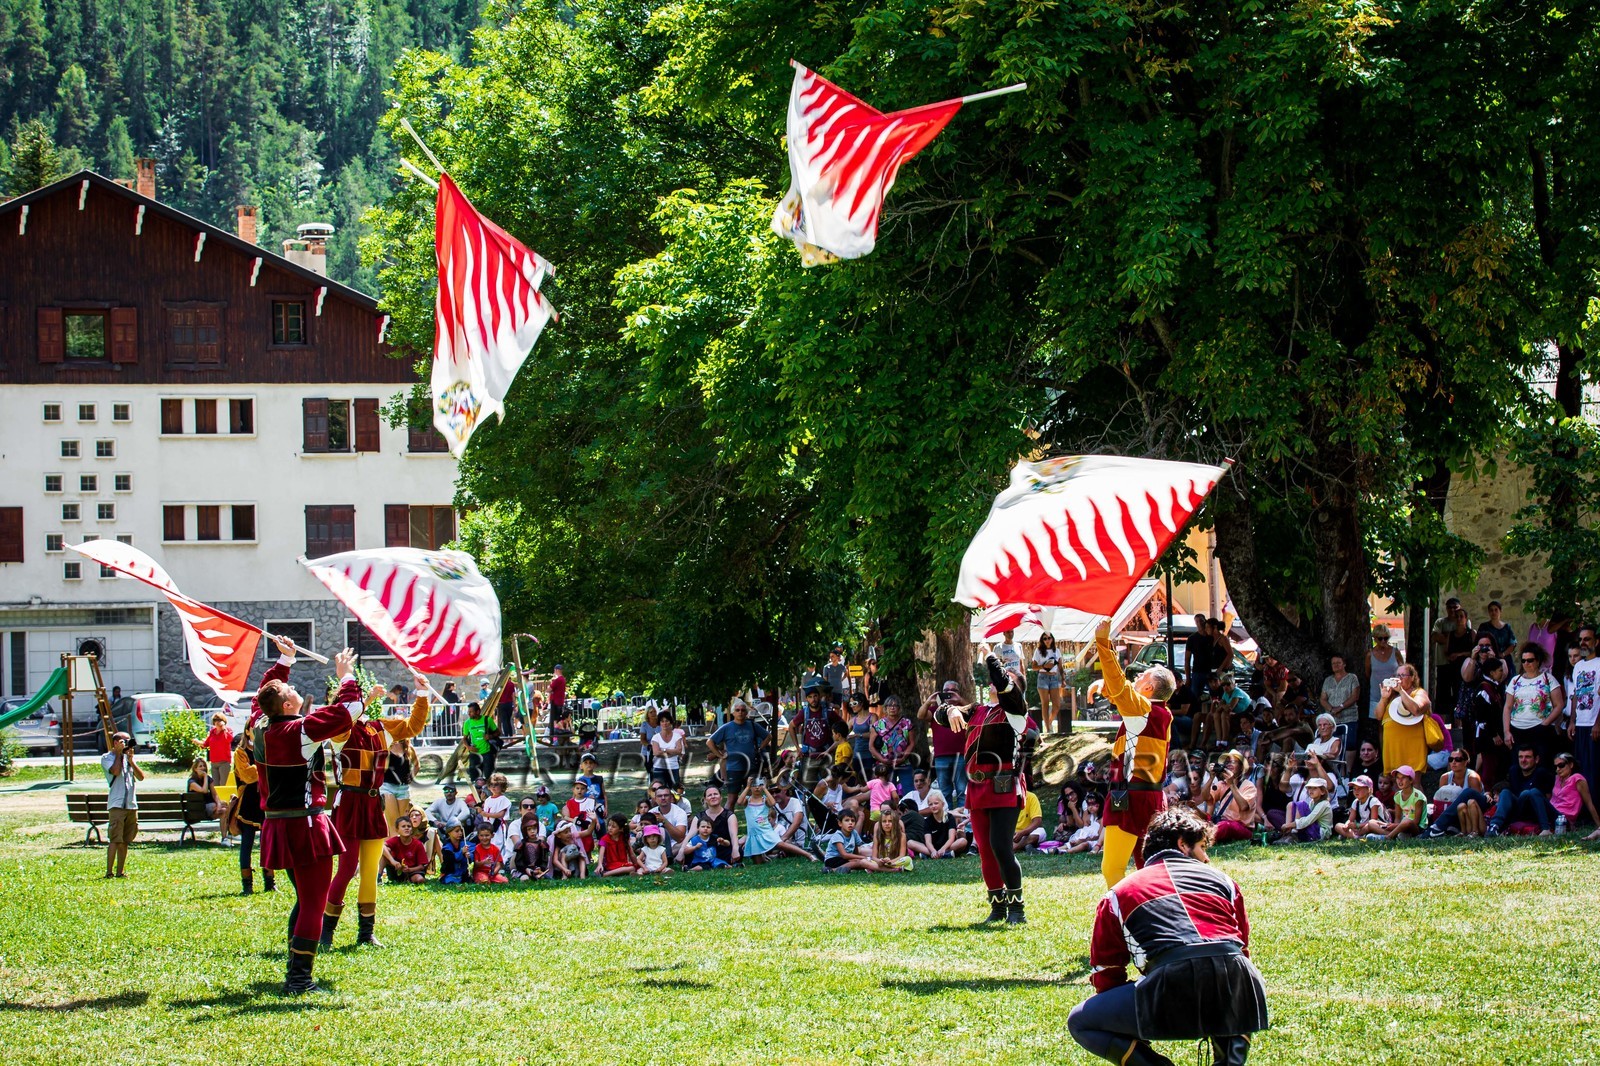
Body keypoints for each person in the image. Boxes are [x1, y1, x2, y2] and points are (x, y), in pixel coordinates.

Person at [1068, 807, 1268, 1066]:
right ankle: (1230, 1060)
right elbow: (1241, 951)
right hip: (1239, 983)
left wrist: (1131, 1012)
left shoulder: (1118, 894)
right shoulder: (1225, 881)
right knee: (1235, 978)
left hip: (1169, 982)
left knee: (1081, 1021)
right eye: (1202, 847)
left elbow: (1106, 974)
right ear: (1182, 845)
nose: (1206, 859)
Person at [248, 640, 367, 994]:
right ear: (287, 704)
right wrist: (345, 677)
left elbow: (260, 697)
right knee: (314, 901)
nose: (296, 689)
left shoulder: (260, 727)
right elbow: (352, 709)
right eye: (291, 689)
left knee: (305, 898)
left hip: (278, 825)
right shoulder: (300, 730)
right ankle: (299, 979)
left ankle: (294, 969)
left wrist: (286, 660)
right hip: (305, 823)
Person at [320, 667, 432, 950]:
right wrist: (358, 693)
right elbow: (348, 714)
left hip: (372, 802)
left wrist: (421, 693)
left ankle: (366, 933)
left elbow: (412, 727)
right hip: (349, 803)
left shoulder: (379, 727)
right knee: (346, 871)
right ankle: (325, 933)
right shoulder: (339, 731)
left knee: (370, 872)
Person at [932, 652, 1038, 923]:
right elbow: (941, 714)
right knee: (985, 851)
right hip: (977, 787)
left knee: (1001, 847)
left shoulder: (1016, 711)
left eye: (1007, 681)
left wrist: (990, 656)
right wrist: (952, 709)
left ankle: (1017, 908)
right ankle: (997, 906)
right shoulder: (978, 710)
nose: (996, 683)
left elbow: (1003, 682)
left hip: (1004, 785)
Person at [1092, 620, 1174, 889]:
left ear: (1149, 689)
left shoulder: (1144, 710)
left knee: (1112, 868)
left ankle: (1125, 917)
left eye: (1142, 678)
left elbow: (1120, 688)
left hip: (1129, 797)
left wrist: (1104, 644)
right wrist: (1106, 686)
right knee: (1148, 867)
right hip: (1149, 797)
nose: (1137, 678)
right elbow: (1119, 692)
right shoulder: (1159, 712)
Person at [1503, 643, 1565, 762]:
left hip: (1540, 728)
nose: (1526, 663)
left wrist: (1545, 723)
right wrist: (1506, 732)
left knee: (1542, 763)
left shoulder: (1548, 679)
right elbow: (1508, 707)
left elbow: (1559, 704)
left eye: (1530, 660)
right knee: (1518, 764)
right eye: (1523, 660)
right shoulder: (1515, 681)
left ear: (1538, 661)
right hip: (1517, 729)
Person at [229, 738, 275, 894]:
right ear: (247, 731)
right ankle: (247, 885)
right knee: (247, 844)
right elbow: (247, 775)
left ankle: (270, 882)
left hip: (265, 802)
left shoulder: (267, 749)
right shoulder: (241, 752)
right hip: (248, 805)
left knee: (267, 844)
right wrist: (263, 767)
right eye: (252, 729)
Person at [101, 731, 144, 879]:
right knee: (115, 839)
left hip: (131, 805)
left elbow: (141, 777)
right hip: (117, 805)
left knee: (125, 840)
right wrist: (119, 754)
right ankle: (109, 872)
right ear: (115, 743)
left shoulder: (129, 758)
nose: (126, 745)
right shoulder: (107, 758)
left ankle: (120, 871)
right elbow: (115, 771)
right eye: (123, 742)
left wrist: (131, 760)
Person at [1376, 663, 1433, 773]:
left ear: (1412, 678)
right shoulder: (1391, 695)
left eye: (1403, 675)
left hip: (1412, 745)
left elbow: (1416, 710)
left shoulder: (1419, 692)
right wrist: (1383, 698)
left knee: (1413, 780)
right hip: (1393, 746)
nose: (1399, 678)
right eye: (1397, 675)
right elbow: (1378, 716)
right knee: (1394, 781)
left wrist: (1401, 691)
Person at [1489, 746, 1555, 837]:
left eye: (1527, 757)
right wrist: (1488, 794)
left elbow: (1548, 798)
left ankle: (1545, 829)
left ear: (1536, 759)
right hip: (1519, 810)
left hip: (1536, 811)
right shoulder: (1513, 771)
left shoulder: (1542, 773)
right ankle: (1494, 827)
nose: (1523, 760)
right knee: (1505, 792)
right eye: (1520, 757)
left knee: (1530, 792)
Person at [707, 698, 768, 796]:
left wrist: (760, 748)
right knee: (732, 798)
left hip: (751, 766)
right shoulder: (726, 727)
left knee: (752, 797)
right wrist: (719, 755)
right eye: (737, 710)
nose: (740, 712)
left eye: (743, 710)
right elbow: (710, 742)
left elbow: (768, 737)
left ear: (746, 713)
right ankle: (729, 812)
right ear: (733, 713)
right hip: (734, 768)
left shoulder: (753, 725)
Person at [1424, 751, 1487, 837]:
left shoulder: (1472, 777)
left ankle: (1438, 826)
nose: (1453, 762)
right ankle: (1446, 826)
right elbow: (1442, 802)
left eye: (1458, 759)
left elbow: (1475, 803)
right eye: (1451, 759)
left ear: (1466, 762)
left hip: (1474, 810)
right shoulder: (1445, 777)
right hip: (1458, 811)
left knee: (1468, 793)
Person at [1202, 752, 1259, 844]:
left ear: (1241, 767)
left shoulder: (1249, 786)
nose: (1229, 765)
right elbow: (1205, 798)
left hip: (1242, 827)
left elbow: (1244, 807)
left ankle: (1203, 839)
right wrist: (1211, 778)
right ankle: (1203, 835)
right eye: (1227, 762)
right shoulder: (1221, 784)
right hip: (1221, 822)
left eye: (1233, 762)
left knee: (1226, 826)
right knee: (1202, 818)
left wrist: (1231, 784)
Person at [1568, 627, 1600, 786]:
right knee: (1581, 771)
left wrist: (1598, 723)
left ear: (1596, 641)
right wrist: (1572, 721)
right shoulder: (1578, 666)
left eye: (1587, 639)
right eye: (1581, 640)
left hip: (1594, 725)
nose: (1583, 643)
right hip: (1580, 724)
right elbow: (1575, 694)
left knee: (1594, 770)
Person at [869, 694, 918, 795]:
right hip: (885, 764)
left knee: (909, 791)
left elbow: (912, 743)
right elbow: (871, 746)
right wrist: (881, 759)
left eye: (895, 706)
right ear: (885, 708)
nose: (892, 708)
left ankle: (909, 809)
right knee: (887, 793)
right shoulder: (878, 725)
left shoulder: (907, 723)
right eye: (889, 706)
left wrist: (903, 758)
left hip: (903, 762)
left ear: (899, 708)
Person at [1550, 752, 1600, 838]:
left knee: (1534, 793)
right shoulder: (1557, 778)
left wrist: (1599, 826)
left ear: (1571, 765)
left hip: (1563, 818)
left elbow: (1589, 804)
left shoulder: (1577, 779)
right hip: (1551, 813)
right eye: (1555, 767)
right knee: (1529, 795)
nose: (1558, 769)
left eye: (1561, 765)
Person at [1271, 776, 1332, 843]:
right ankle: (1287, 834)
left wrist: (1290, 825)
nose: (1311, 791)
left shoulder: (1324, 804)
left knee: (1301, 804)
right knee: (1291, 804)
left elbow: (1309, 820)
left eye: (1315, 788)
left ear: (1322, 792)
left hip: (1321, 833)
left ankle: (1294, 834)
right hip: (1313, 829)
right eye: (1309, 788)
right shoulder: (1312, 802)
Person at [1335, 775, 1391, 840]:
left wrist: (1357, 825)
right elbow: (1350, 819)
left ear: (1368, 790)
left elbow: (1374, 821)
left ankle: (1388, 835)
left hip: (1376, 826)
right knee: (1338, 826)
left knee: (1370, 824)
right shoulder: (1355, 802)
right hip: (1362, 826)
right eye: (1354, 789)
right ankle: (1358, 836)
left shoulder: (1373, 801)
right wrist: (1346, 825)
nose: (1356, 791)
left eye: (1359, 788)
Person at [738, 780, 781, 862]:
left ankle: (808, 854)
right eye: (754, 785)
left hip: (765, 831)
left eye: (760, 785)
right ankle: (765, 857)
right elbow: (739, 802)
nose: (757, 787)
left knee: (781, 844)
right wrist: (747, 786)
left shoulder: (765, 799)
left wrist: (765, 788)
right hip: (753, 834)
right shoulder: (747, 800)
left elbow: (773, 803)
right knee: (758, 862)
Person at [915, 791, 968, 858]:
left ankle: (935, 854)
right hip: (933, 848)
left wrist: (943, 849)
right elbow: (928, 841)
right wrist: (933, 850)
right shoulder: (927, 821)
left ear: (942, 804)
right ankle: (942, 854)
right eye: (931, 804)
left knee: (963, 841)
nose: (933, 806)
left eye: (936, 803)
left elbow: (951, 838)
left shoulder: (949, 817)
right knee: (910, 843)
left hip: (948, 846)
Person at [1367, 624, 1404, 717]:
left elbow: (1402, 670)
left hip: (1395, 694)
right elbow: (1368, 673)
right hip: (1376, 695)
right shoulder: (1369, 655)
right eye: (1380, 638)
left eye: (1386, 638)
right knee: (1379, 722)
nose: (1383, 641)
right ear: (1374, 638)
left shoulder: (1395, 652)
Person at [461, 701, 500, 788]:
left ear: (478, 711)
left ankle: (488, 794)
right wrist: (469, 747)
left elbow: (498, 732)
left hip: (487, 752)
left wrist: (490, 736)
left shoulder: (487, 720)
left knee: (488, 776)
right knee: (474, 777)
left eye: (471, 712)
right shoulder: (467, 723)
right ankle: (477, 795)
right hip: (474, 753)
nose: (469, 714)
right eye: (468, 712)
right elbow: (464, 739)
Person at [381, 817, 430, 884]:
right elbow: (382, 846)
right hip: (396, 869)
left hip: (412, 871)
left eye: (409, 826)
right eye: (403, 826)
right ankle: (378, 877)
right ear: (397, 830)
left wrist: (410, 870)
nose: (406, 828)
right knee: (385, 850)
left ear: (412, 830)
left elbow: (422, 866)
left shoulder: (418, 844)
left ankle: (408, 879)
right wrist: (393, 861)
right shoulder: (395, 840)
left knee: (420, 879)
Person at [1384, 766, 1427, 839]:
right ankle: (1391, 834)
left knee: (1407, 821)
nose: (1400, 781)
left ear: (1410, 780)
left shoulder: (1418, 797)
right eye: (1397, 778)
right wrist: (1395, 825)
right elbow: (1397, 817)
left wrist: (1396, 826)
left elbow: (1416, 822)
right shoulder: (1397, 795)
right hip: (1401, 825)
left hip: (1416, 828)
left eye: (1403, 778)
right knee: (1373, 823)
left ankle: (1388, 837)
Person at [1033, 631, 1064, 732]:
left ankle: (1049, 721)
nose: (1047, 640)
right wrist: (1043, 666)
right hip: (1043, 677)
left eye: (1049, 638)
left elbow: (1060, 666)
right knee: (1045, 703)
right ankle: (1048, 728)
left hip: (1054, 678)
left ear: (1052, 639)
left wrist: (1063, 679)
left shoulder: (1056, 651)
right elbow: (1033, 667)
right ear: (1042, 640)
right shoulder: (1038, 651)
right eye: (1045, 638)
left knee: (1057, 705)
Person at [1319, 655, 1361, 728]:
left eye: (1338, 663)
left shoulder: (1352, 678)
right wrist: (1332, 710)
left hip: (1349, 719)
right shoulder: (1328, 680)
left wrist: (1339, 708)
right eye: (1333, 663)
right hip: (1331, 720)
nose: (1336, 665)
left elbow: (1355, 696)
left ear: (1344, 664)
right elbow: (1323, 699)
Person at [650, 710, 687, 791]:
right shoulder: (656, 737)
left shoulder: (677, 736)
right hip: (659, 767)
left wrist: (664, 750)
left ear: (670, 722)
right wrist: (672, 751)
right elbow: (656, 752)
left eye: (667, 721)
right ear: (659, 723)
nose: (664, 723)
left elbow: (679, 751)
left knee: (675, 790)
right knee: (658, 790)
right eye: (662, 721)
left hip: (673, 767)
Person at [870, 804, 913, 871]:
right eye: (884, 821)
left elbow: (902, 855)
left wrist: (890, 862)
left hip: (895, 861)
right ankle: (894, 869)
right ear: (880, 823)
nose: (887, 824)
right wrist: (880, 861)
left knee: (908, 859)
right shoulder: (877, 836)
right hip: (882, 861)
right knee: (866, 860)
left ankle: (881, 868)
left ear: (895, 822)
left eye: (890, 821)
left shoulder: (901, 835)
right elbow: (874, 857)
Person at [204, 713, 234, 789]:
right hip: (214, 762)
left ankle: (223, 801)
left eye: (219, 720)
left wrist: (224, 729)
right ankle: (217, 801)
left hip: (224, 762)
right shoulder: (212, 731)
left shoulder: (228, 730)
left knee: (223, 785)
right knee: (216, 786)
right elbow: (206, 743)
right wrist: (198, 742)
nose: (217, 722)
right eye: (215, 720)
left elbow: (229, 739)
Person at [186, 758, 221, 822]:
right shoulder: (192, 782)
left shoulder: (209, 779)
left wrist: (219, 805)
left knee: (225, 807)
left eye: (204, 766)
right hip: (198, 809)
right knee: (218, 807)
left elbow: (214, 794)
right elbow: (204, 790)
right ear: (195, 769)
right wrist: (205, 776)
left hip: (208, 806)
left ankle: (225, 831)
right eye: (200, 766)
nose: (203, 768)